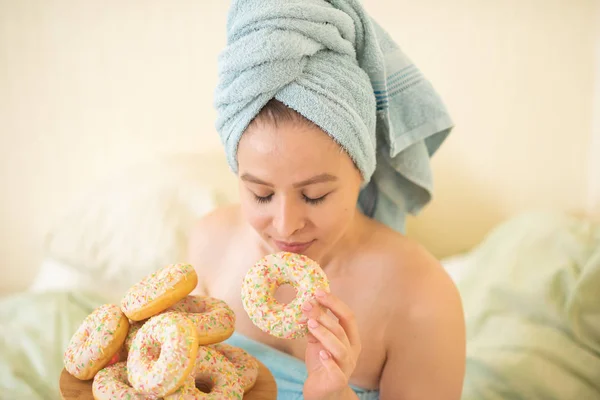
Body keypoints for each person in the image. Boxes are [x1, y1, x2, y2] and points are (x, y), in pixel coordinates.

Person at [188, 1, 465, 399]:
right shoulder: (208, 243)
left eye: (315, 196)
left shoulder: (423, 299)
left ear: (361, 171)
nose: (285, 226)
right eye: (261, 193)